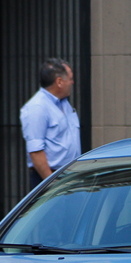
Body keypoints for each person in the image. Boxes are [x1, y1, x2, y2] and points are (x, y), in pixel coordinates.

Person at [20, 58, 81, 189]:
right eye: (70, 78)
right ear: (59, 81)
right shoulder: (37, 107)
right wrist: (53, 184)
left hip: (71, 176)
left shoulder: (64, 104)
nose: (72, 82)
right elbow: (36, 152)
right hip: (51, 178)